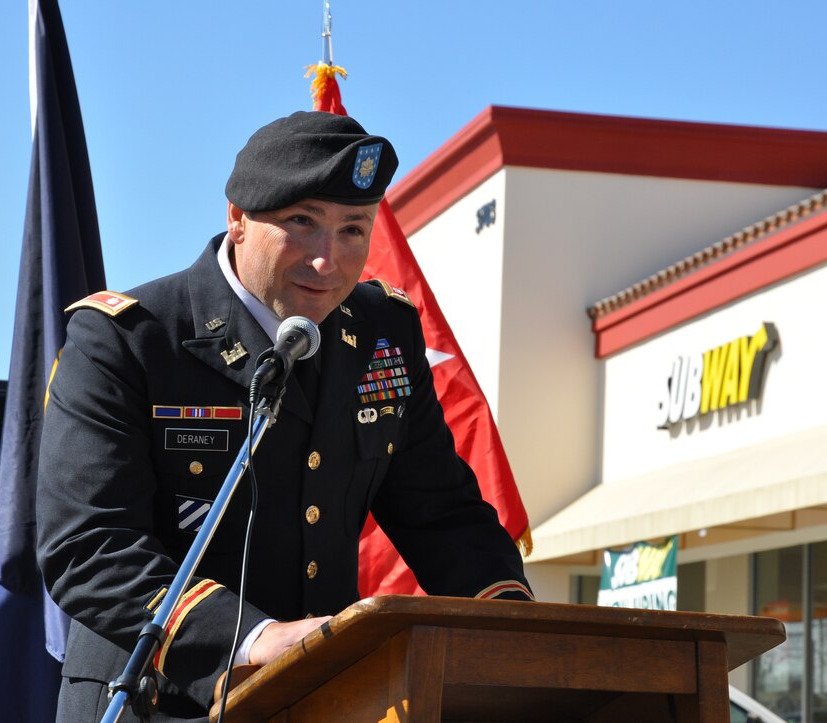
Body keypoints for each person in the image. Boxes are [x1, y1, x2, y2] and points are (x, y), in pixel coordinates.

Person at [35, 110, 532, 722]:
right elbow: (91, 546)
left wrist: (516, 626)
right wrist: (254, 637)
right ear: (237, 220)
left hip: (320, 698)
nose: (329, 261)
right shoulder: (128, 340)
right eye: (302, 222)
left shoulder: (383, 332)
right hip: (155, 701)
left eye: (354, 230)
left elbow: (442, 514)